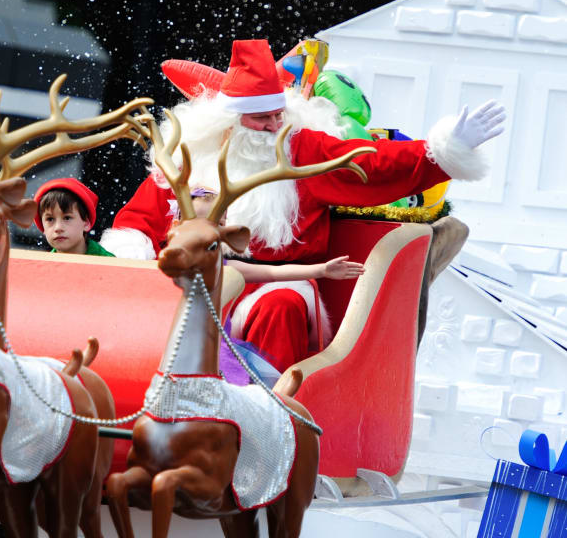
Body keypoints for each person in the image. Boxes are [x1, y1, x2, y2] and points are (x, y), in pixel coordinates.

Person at [101, 39, 506, 371]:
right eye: (261, 119)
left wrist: (441, 152)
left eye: (279, 114)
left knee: (281, 307)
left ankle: (267, 423)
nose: (274, 127)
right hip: (195, 284)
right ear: (228, 122)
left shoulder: (302, 150)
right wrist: (130, 256)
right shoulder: (193, 153)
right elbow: (139, 221)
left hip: (276, 283)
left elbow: (372, 165)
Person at [34, 178, 114, 256]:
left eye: (67, 218)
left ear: (86, 223)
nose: (58, 228)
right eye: (50, 219)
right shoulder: (39, 267)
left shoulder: (111, 264)